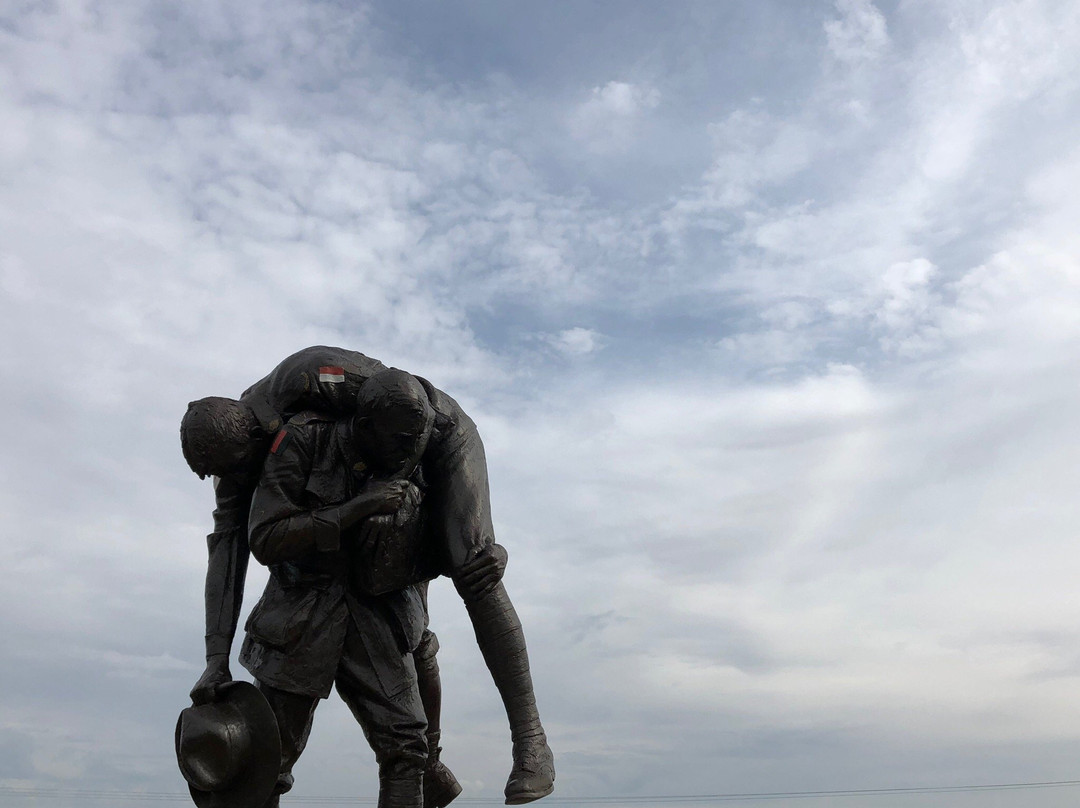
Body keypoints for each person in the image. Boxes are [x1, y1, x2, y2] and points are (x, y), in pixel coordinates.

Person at [181, 347, 554, 804]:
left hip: (431, 428)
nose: (228, 484)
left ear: (251, 440)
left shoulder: (314, 378)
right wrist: (215, 657)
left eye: (232, 471)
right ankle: (424, 759)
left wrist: (412, 507)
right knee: (394, 607)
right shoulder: (242, 459)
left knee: (473, 565)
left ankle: (531, 741)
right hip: (369, 492)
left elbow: (402, 403)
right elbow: (231, 550)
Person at [242, 382, 433, 808]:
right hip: (301, 613)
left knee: (407, 745)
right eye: (401, 440)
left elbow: (434, 546)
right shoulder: (303, 440)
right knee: (267, 758)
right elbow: (265, 539)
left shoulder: (412, 454)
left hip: (376, 613)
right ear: (364, 425)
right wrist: (357, 509)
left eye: (415, 440)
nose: (409, 450)